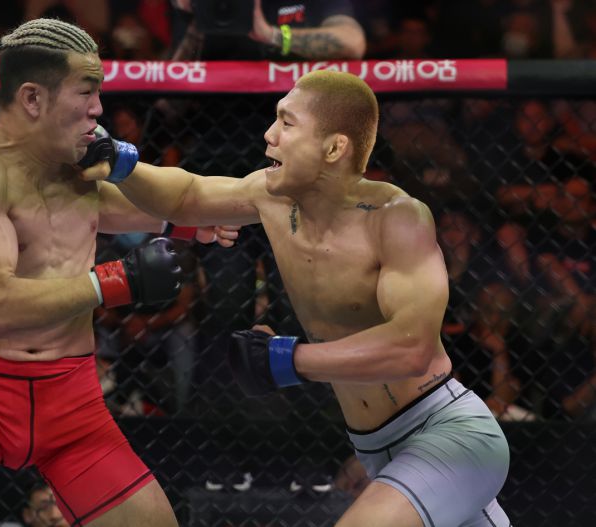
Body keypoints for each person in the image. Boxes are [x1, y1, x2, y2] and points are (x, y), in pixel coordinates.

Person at [81, 70, 512, 526]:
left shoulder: (396, 218)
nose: (269, 135)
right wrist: (121, 162)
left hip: (446, 433)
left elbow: (413, 348)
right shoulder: (271, 198)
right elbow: (189, 194)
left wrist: (287, 360)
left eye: (287, 123)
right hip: (377, 447)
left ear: (334, 148)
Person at [0, 18, 239, 527]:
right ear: (33, 99)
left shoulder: (79, 154)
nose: (99, 108)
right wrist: (114, 281)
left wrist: (184, 221)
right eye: (87, 91)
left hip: (72, 402)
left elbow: (119, 203)